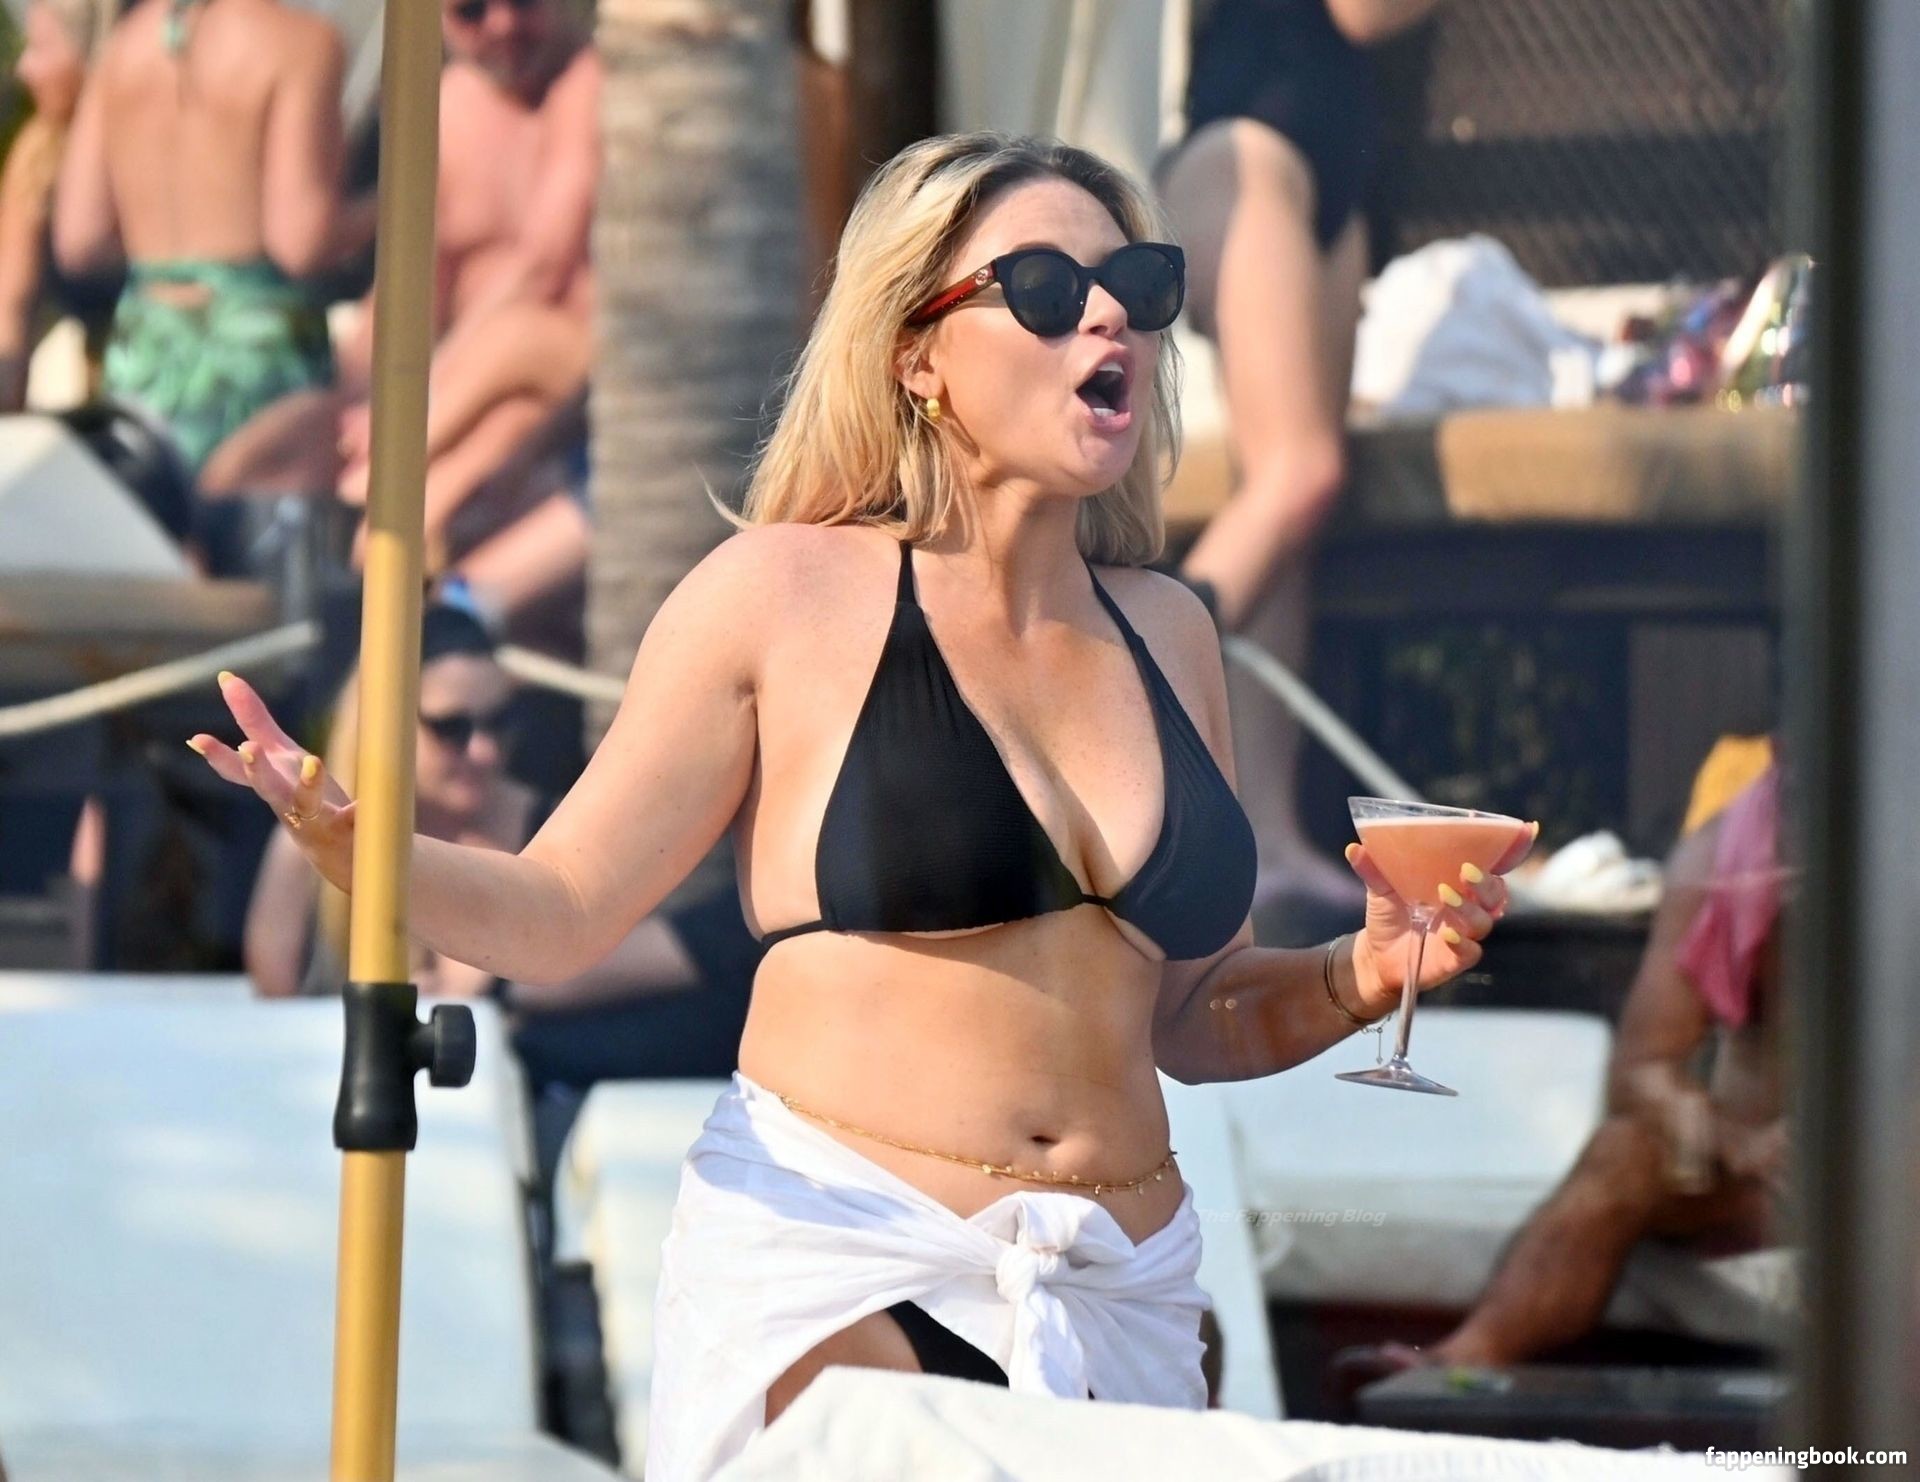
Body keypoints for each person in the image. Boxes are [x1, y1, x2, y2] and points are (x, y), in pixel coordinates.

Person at [191, 132, 1526, 1480]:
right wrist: (357, 843)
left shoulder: (1171, 632)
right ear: (916, 354)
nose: (1108, 315)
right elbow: (558, 910)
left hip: (1117, 1291)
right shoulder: (780, 595)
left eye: (1136, 282)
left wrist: (1361, 973)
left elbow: (1195, 1013)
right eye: (1048, 288)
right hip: (850, 1256)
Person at [1335, 757, 1787, 1389]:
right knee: (1626, 1149)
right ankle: (1461, 1365)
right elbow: (1645, 1069)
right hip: (1762, 1186)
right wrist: (1726, 1137)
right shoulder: (1732, 850)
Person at [1158, 0, 1448, 922]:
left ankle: (1268, 836)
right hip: (1247, 154)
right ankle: (1121, 691)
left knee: (1291, 513)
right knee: (1296, 474)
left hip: (1327, 174)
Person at [201, 0, 599, 629]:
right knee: (248, 463)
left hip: (564, 375)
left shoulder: (588, 84)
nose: (502, 25)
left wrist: (417, 397)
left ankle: (385, 524)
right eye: (471, 11)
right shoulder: (447, 104)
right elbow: (414, 281)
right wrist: (348, 402)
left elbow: (543, 268)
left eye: (523, 1)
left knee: (443, 478)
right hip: (466, 381)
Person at [242, 602, 758, 1080]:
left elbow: (681, 950)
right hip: (336, 1086)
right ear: (382, 725)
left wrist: (495, 982)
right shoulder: (310, 840)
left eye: (499, 722)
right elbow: (274, 1005)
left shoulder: (557, 827)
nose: (484, 750)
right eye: (452, 728)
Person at [52, 0, 356, 474]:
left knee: (154, 516)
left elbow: (80, 239)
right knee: (257, 521)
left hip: (145, 346)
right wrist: (394, 209)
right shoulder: (301, 44)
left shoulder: (120, 51)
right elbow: (300, 240)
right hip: (257, 352)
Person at [0, 0, 107, 411]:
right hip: (80, 398)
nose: (24, 68)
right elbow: (11, 312)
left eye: (42, 48)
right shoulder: (38, 154)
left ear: (92, 53)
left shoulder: (150, 143)